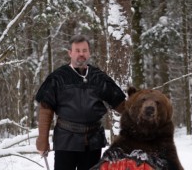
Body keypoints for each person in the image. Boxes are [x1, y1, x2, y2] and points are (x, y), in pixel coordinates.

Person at [35, 34, 126, 170]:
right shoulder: (58, 78)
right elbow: (46, 109)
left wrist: (141, 118)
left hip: (93, 141)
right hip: (66, 140)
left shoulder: (99, 78)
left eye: (84, 50)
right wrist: (42, 140)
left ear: (89, 53)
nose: (81, 54)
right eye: (77, 51)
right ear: (70, 53)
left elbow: (120, 104)